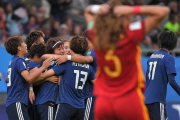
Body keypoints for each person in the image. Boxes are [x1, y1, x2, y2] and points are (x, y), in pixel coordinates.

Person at [85, 0, 170, 120]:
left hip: (103, 102)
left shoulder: (96, 34)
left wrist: (97, 8)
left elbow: (88, 11)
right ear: (125, 16)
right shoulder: (131, 33)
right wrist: (132, 9)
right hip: (128, 100)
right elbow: (164, 11)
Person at [36, 36, 95, 120]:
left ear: (71, 47)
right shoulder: (89, 67)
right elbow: (97, 83)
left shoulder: (66, 64)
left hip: (66, 104)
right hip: (80, 106)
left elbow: (43, 75)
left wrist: (32, 80)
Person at [4, 36, 53, 120]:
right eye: (23, 43)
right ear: (19, 48)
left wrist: (30, 89)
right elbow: (29, 78)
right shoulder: (19, 61)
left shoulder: (14, 60)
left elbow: (7, 79)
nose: (25, 45)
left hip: (15, 102)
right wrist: (43, 67)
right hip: (17, 101)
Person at [144, 31, 180, 120]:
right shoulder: (169, 58)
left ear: (160, 42)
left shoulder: (152, 56)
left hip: (146, 100)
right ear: (173, 44)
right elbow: (172, 81)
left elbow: (147, 78)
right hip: (157, 101)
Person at [34, 37, 64, 120]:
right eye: (59, 49)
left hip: (42, 102)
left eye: (63, 48)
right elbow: (31, 80)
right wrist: (46, 78)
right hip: (48, 101)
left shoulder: (44, 61)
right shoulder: (57, 62)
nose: (62, 51)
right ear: (51, 50)